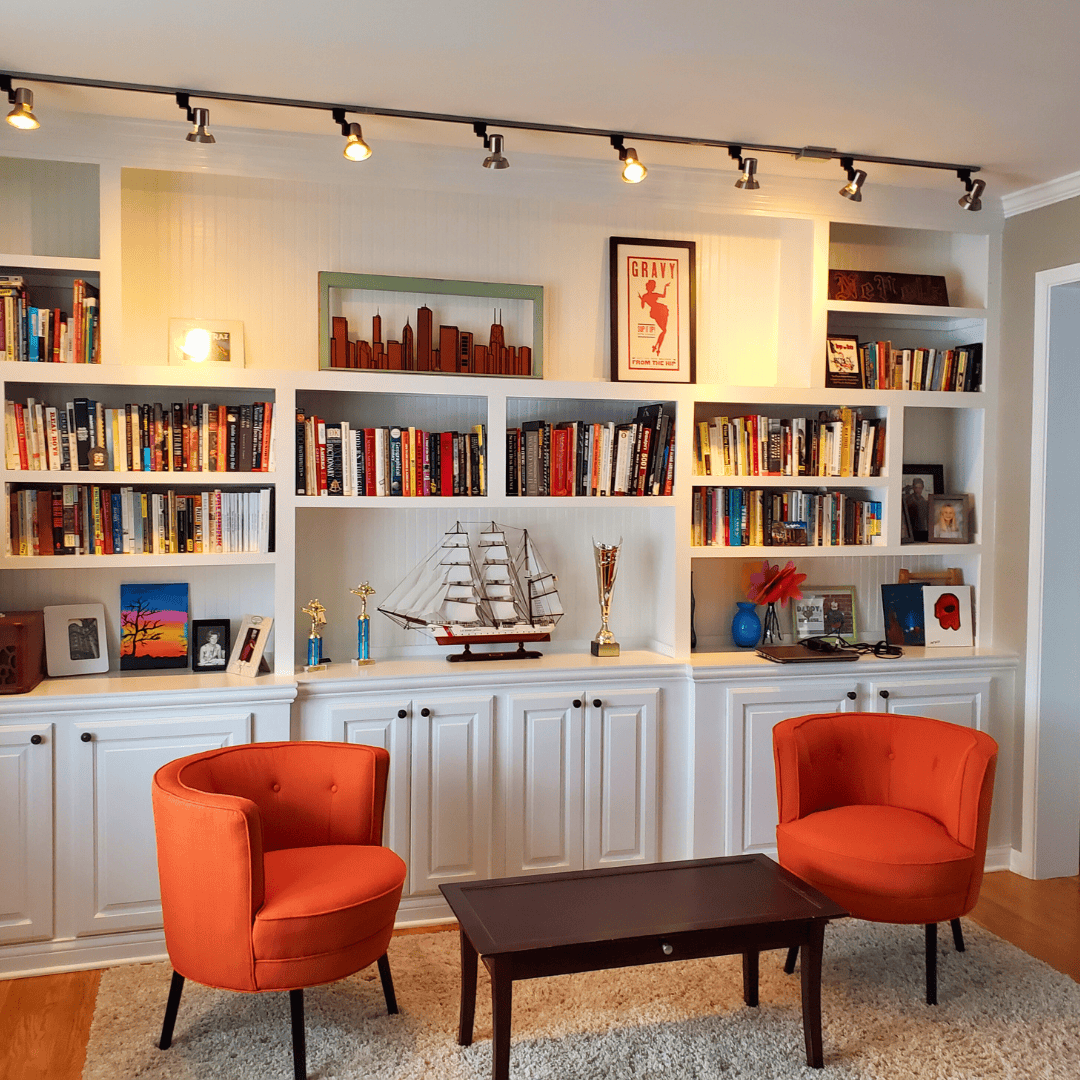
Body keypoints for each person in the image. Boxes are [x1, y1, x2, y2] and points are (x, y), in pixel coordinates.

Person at [638, 279, 670, 355]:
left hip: (660, 310)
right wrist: (642, 300)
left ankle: (657, 347)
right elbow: (642, 307)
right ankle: (657, 348)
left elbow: (663, 296)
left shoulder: (646, 296)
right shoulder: (646, 296)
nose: (653, 288)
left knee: (664, 330)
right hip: (657, 311)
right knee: (664, 330)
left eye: (653, 286)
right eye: (652, 286)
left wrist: (642, 299)